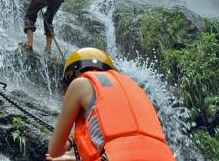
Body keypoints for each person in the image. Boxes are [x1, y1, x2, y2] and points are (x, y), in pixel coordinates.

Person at [47, 47, 175, 161]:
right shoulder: (135, 89)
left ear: (71, 74)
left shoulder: (79, 84)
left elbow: (54, 151)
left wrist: (70, 140)